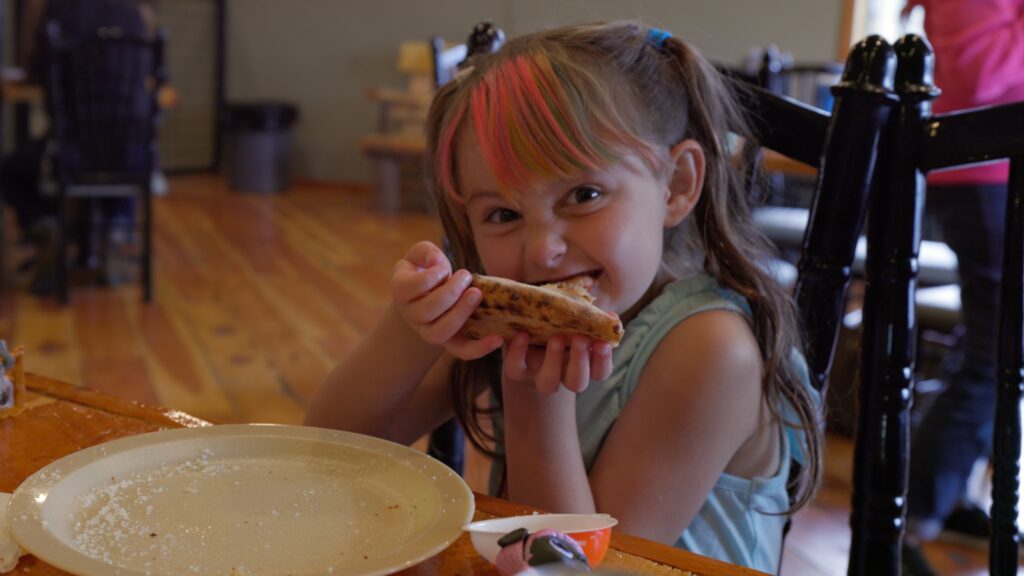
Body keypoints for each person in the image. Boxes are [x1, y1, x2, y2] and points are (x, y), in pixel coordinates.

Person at [304, 21, 822, 574]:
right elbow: (326, 453)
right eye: (502, 214)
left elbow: (579, 570)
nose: (543, 250)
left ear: (675, 186)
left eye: (583, 195)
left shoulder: (712, 351)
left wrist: (535, 404)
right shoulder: (507, 323)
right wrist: (412, 328)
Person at [901, 1, 1024, 575]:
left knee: (993, 343)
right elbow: (979, 79)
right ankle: (912, 518)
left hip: (992, 170)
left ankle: (946, 499)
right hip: (987, 171)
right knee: (999, 351)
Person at [1, 0, 154, 294]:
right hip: (132, 156)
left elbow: (34, 70)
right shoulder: (135, 14)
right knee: (114, 144)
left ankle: (48, 229)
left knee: (11, 170)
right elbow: (157, 77)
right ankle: (116, 233)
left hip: (71, 154)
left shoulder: (55, 12)